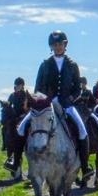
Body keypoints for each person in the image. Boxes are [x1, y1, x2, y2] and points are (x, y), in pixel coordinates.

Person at [31, 30, 88, 166]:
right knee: (22, 127)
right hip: (46, 105)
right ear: (51, 46)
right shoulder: (45, 65)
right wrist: (43, 100)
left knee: (82, 130)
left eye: (60, 44)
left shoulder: (72, 65)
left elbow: (77, 89)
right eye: (55, 45)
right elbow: (38, 87)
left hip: (66, 105)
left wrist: (70, 99)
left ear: (65, 44)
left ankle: (85, 166)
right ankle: (16, 161)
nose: (58, 47)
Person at [1, 76, 32, 179]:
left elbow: (28, 108)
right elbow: (9, 105)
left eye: (19, 85)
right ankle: (5, 145)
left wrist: (23, 115)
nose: (17, 86)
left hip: (24, 117)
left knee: (28, 127)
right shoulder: (12, 95)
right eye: (16, 84)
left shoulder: (25, 95)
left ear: (22, 85)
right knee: (5, 129)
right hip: (14, 118)